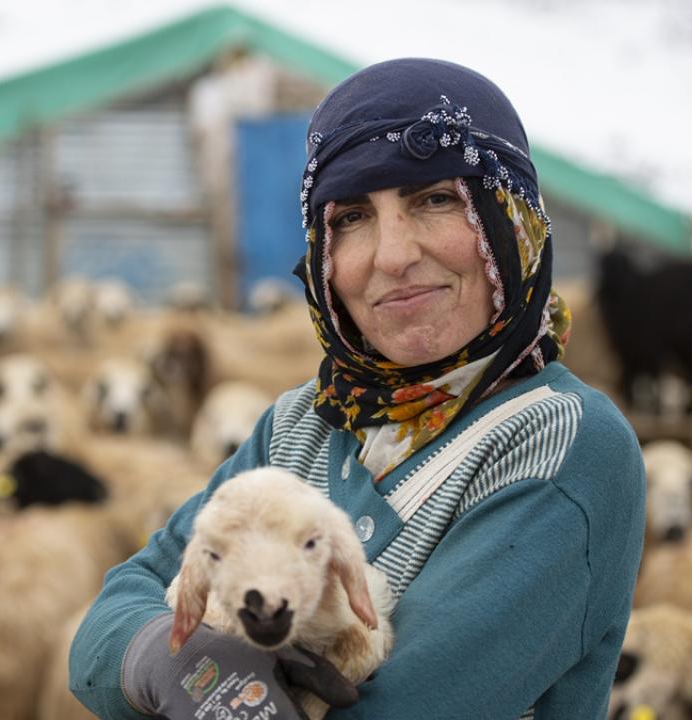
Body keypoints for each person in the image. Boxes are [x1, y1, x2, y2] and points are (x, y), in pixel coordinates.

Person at [69, 57, 645, 719]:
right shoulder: (301, 424)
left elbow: (407, 706)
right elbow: (113, 615)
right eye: (350, 218)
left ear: (509, 222)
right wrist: (173, 662)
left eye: (435, 200)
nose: (391, 255)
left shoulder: (563, 442)